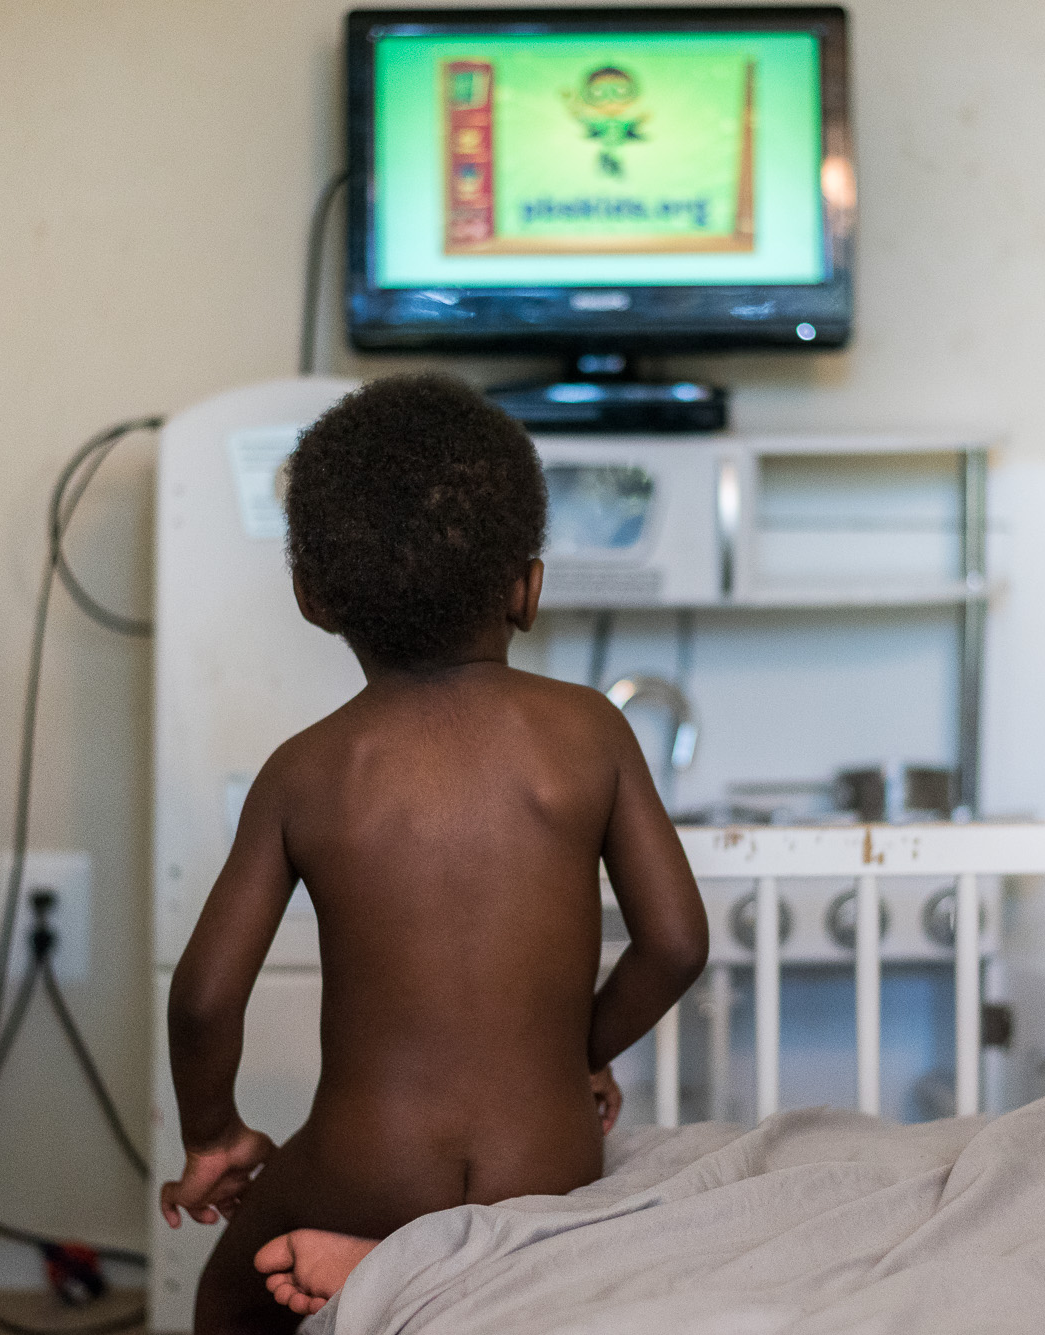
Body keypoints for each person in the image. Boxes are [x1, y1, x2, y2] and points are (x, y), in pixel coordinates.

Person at [158, 373, 710, 1329]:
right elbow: (676, 943)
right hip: (546, 1166)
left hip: (363, 1168)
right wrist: (572, 1048)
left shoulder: (306, 770)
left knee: (229, 1297)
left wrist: (213, 1132)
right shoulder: (590, 733)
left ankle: (374, 1264)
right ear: (528, 588)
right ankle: (431, 1274)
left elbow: (205, 993)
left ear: (312, 597)